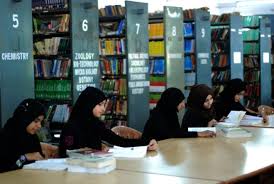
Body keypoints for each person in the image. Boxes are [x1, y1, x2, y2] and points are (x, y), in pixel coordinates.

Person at [59, 87, 157, 157]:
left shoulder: (96, 125)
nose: (103, 109)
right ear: (89, 104)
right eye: (100, 105)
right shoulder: (71, 127)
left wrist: (147, 142)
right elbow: (65, 154)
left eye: (104, 105)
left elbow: (119, 141)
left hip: (96, 169)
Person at [0, 99, 58, 173]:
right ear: (25, 119)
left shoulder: (31, 137)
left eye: (41, 121)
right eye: (36, 121)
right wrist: (25, 157)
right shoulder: (6, 137)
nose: (39, 126)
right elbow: (7, 168)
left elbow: (38, 160)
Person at [142, 87, 215, 141]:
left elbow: (177, 132)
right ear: (172, 102)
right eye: (181, 102)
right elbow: (171, 134)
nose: (183, 105)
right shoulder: (158, 116)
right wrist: (198, 133)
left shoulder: (171, 112)